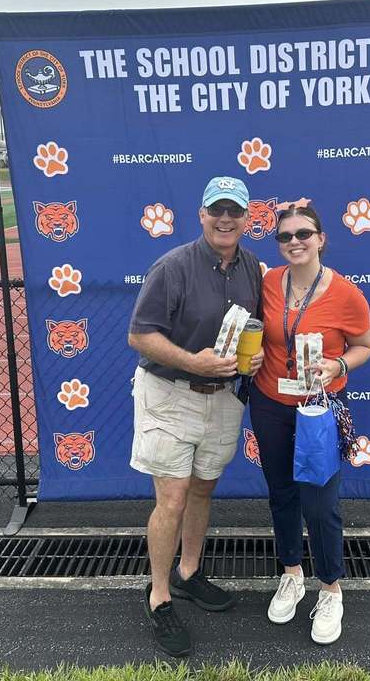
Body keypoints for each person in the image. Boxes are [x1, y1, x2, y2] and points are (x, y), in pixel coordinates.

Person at [127, 176, 264, 657]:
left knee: (204, 486)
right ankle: (159, 595)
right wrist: (194, 362)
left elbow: (254, 330)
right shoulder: (173, 266)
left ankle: (188, 572)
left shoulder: (253, 267)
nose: (226, 219)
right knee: (173, 495)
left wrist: (255, 357)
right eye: (216, 210)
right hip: (169, 391)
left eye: (235, 211)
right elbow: (140, 336)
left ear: (248, 217)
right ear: (201, 214)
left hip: (224, 396)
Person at [249, 203, 370, 645]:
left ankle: (330, 589)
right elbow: (257, 332)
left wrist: (338, 363)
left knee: (321, 505)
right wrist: (254, 352)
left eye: (304, 233)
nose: (295, 242)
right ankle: (290, 574)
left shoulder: (345, 294)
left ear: (321, 238)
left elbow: (364, 345)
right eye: (286, 236)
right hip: (269, 404)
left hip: (317, 412)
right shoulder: (267, 282)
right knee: (282, 496)